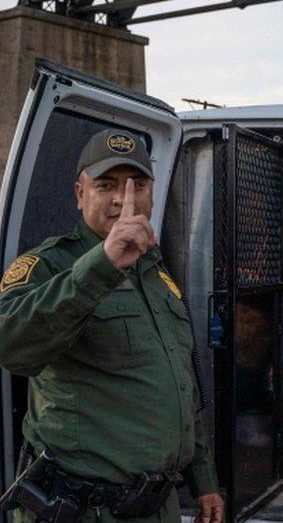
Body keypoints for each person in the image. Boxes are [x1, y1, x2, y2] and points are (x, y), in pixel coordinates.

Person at [0, 130, 223, 522]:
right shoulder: (49, 264)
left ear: (152, 195)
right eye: (106, 185)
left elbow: (179, 386)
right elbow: (11, 345)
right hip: (84, 510)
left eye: (138, 185)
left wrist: (204, 480)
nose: (124, 199)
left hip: (156, 506)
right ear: (79, 193)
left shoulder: (156, 272)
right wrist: (101, 265)